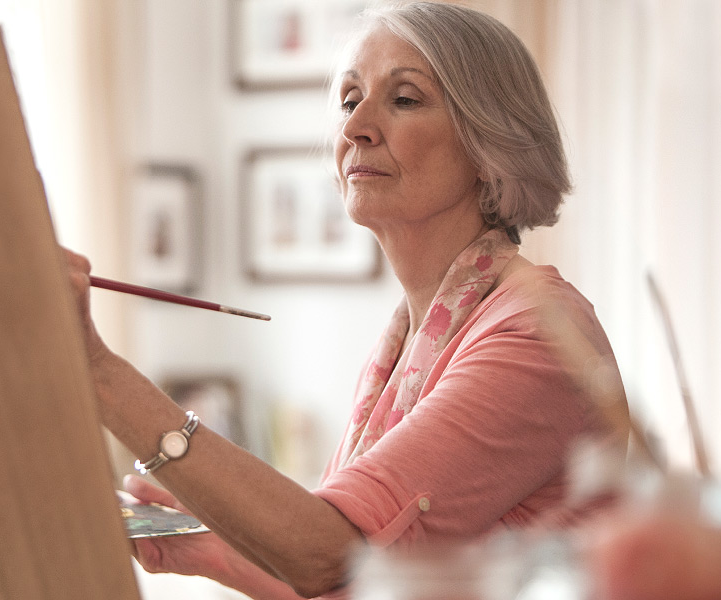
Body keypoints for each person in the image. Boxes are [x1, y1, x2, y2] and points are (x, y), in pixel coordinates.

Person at [64, 3, 627, 598]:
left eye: (404, 99)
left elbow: (331, 556)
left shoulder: (538, 334)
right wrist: (218, 553)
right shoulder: (406, 343)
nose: (356, 126)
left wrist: (98, 371)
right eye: (349, 99)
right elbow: (363, 581)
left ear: (490, 142)